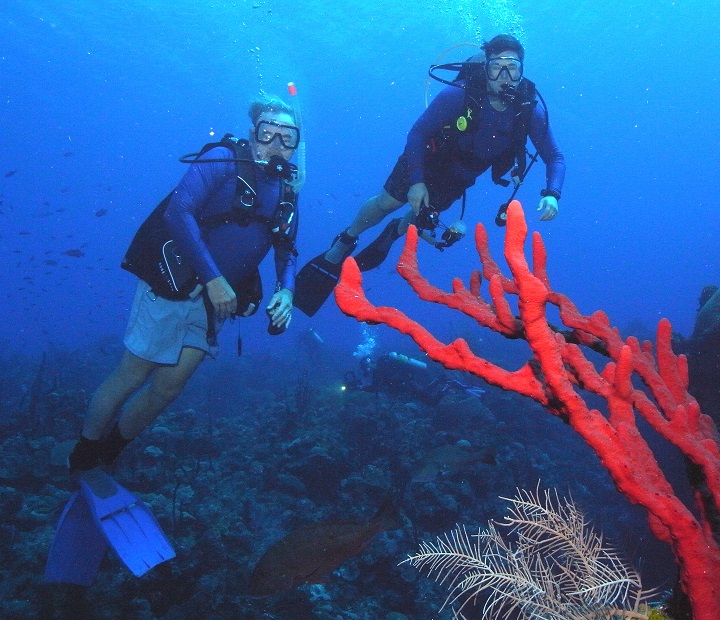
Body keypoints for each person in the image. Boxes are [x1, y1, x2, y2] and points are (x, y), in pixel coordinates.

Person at [68, 94, 302, 471]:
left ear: (296, 144)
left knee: (168, 388)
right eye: (267, 133)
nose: (275, 144)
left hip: (217, 304)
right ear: (252, 133)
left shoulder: (288, 190)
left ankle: (108, 452)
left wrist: (286, 290)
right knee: (132, 375)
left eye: (286, 137)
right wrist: (212, 279)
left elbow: (286, 248)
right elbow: (179, 212)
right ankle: (82, 454)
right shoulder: (223, 159)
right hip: (174, 284)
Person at [294, 34, 565, 316]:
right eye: (498, 66)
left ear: (523, 70)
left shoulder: (529, 112)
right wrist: (416, 181)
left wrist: (552, 194)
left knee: (420, 217)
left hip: (458, 177)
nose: (505, 76)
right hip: (424, 159)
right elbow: (418, 133)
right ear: (486, 67)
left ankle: (395, 231)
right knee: (387, 203)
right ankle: (347, 238)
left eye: (514, 67)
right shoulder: (459, 95)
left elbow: (554, 157)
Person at [343, 352, 484, 406]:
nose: (366, 371)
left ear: (367, 365)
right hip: (408, 383)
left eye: (365, 368)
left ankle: (448, 384)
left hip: (408, 384)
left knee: (431, 402)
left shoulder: (379, 369)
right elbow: (376, 386)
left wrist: (360, 387)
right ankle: (441, 380)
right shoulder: (382, 365)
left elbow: (375, 387)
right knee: (426, 393)